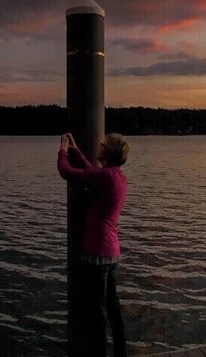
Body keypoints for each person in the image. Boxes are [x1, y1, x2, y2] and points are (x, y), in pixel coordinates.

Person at [58, 132, 129, 357]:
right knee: (112, 308)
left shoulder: (106, 177)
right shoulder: (116, 176)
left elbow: (66, 171)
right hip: (111, 252)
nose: (99, 145)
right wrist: (76, 149)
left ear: (107, 152)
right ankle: (120, 353)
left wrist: (62, 150)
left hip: (97, 252)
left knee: (96, 313)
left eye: (102, 145)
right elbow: (91, 172)